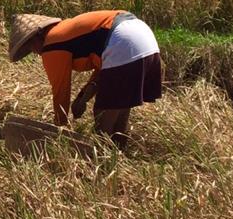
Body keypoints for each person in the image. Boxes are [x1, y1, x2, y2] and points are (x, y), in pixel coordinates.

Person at [9, 10, 162, 148]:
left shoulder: (52, 44)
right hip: (144, 39)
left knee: (103, 117)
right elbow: (104, 68)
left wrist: (59, 130)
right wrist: (83, 98)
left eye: (31, 47)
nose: (35, 52)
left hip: (122, 43)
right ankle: (120, 155)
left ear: (38, 36)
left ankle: (103, 160)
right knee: (119, 108)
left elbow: (61, 90)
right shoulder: (67, 30)